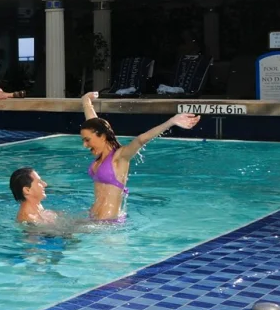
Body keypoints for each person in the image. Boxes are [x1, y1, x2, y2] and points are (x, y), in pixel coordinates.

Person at [80, 91, 200, 220]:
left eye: (87, 140)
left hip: (108, 223)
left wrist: (171, 121)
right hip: (93, 218)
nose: (85, 145)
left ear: (102, 137)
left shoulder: (120, 157)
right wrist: (86, 102)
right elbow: (93, 125)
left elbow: (141, 139)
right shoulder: (100, 156)